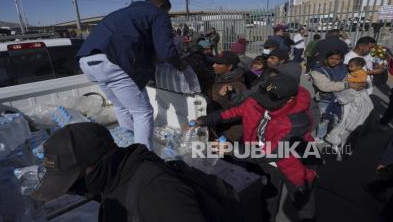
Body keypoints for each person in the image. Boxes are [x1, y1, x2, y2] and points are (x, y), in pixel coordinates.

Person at [195, 74, 318, 222]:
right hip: (264, 161)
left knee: (302, 204)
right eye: (263, 95)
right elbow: (232, 113)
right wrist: (205, 120)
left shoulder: (298, 121)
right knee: (268, 199)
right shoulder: (260, 100)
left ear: (289, 99)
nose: (262, 103)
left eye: (270, 99)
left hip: (294, 164)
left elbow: (275, 151)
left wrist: (233, 150)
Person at [31, 122, 208, 222]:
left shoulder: (158, 193)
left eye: (72, 181)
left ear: (100, 163)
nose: (71, 190)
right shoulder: (114, 182)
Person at [77, 0, 186, 149]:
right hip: (113, 63)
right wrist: (181, 65)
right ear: (161, 6)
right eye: (166, 12)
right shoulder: (157, 14)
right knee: (143, 113)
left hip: (87, 62)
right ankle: (144, 157)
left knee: (121, 107)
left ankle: (127, 143)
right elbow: (166, 51)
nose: (166, 15)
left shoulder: (121, 13)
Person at [207, 51, 247, 141]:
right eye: (214, 62)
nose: (214, 65)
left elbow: (244, 118)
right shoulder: (218, 79)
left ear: (230, 67)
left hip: (224, 137)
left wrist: (227, 137)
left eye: (219, 63)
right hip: (212, 130)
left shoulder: (238, 87)